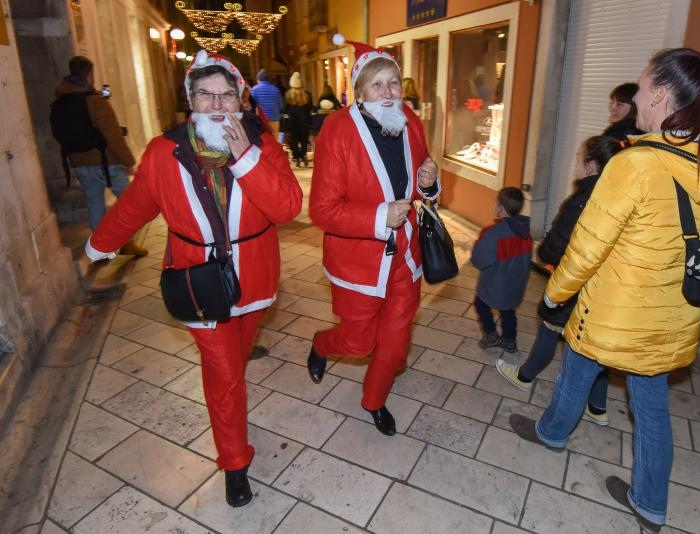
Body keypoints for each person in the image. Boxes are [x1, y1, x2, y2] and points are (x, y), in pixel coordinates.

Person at [509, 48, 700, 532]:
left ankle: (552, 434)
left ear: (660, 94)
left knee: (576, 370)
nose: (635, 95)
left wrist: (556, 292)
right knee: (652, 408)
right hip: (670, 310)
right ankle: (651, 503)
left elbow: (589, 245)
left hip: (613, 305)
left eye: (640, 86)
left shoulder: (636, 164)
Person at [83, 50, 302, 508]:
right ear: (190, 100)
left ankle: (232, 415)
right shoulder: (164, 152)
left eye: (227, 95)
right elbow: (134, 206)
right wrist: (97, 246)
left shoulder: (263, 145)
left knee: (235, 360)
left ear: (241, 101)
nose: (218, 105)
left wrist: (245, 157)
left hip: (254, 275)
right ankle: (235, 463)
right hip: (196, 278)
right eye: (207, 94)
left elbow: (286, 207)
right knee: (223, 373)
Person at [307, 34, 440, 436]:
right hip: (359, 260)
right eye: (377, 84)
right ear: (359, 91)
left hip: (407, 255)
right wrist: (381, 215)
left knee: (396, 346)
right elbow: (322, 211)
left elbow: (419, 186)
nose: (388, 92)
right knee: (358, 342)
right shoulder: (337, 130)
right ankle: (320, 344)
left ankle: (374, 401)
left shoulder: (410, 121)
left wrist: (428, 184)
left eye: (394, 83)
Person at [496, 137, 622, 428]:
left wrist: (545, 252)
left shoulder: (581, 200)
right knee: (595, 348)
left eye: (578, 158)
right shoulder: (617, 196)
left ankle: (525, 377)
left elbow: (555, 246)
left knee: (549, 328)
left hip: (573, 284)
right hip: (603, 288)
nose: (575, 164)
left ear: (590, 165)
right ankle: (597, 407)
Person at [53, 56, 147, 255]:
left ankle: (101, 248)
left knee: (94, 201)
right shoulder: (95, 101)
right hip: (105, 162)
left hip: (78, 161)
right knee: (132, 201)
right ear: (89, 74)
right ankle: (126, 242)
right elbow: (113, 136)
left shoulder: (60, 102)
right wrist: (129, 161)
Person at [472, 187, 532, 354]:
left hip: (494, 284)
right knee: (508, 311)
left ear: (500, 207)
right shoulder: (526, 233)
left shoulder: (492, 234)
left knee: (480, 304)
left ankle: (491, 336)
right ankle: (510, 341)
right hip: (515, 284)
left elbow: (478, 260)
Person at [283, 72, 313, 167]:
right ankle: (303, 155)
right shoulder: (306, 95)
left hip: (293, 122)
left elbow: (285, 109)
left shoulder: (288, 95)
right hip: (304, 121)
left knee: (294, 140)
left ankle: (296, 156)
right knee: (304, 140)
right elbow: (309, 108)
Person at [250, 68, 282, 138]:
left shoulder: (254, 90)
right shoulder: (275, 89)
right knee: (274, 140)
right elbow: (280, 106)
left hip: (260, 120)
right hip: (274, 119)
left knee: (262, 140)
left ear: (258, 80)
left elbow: (252, 105)